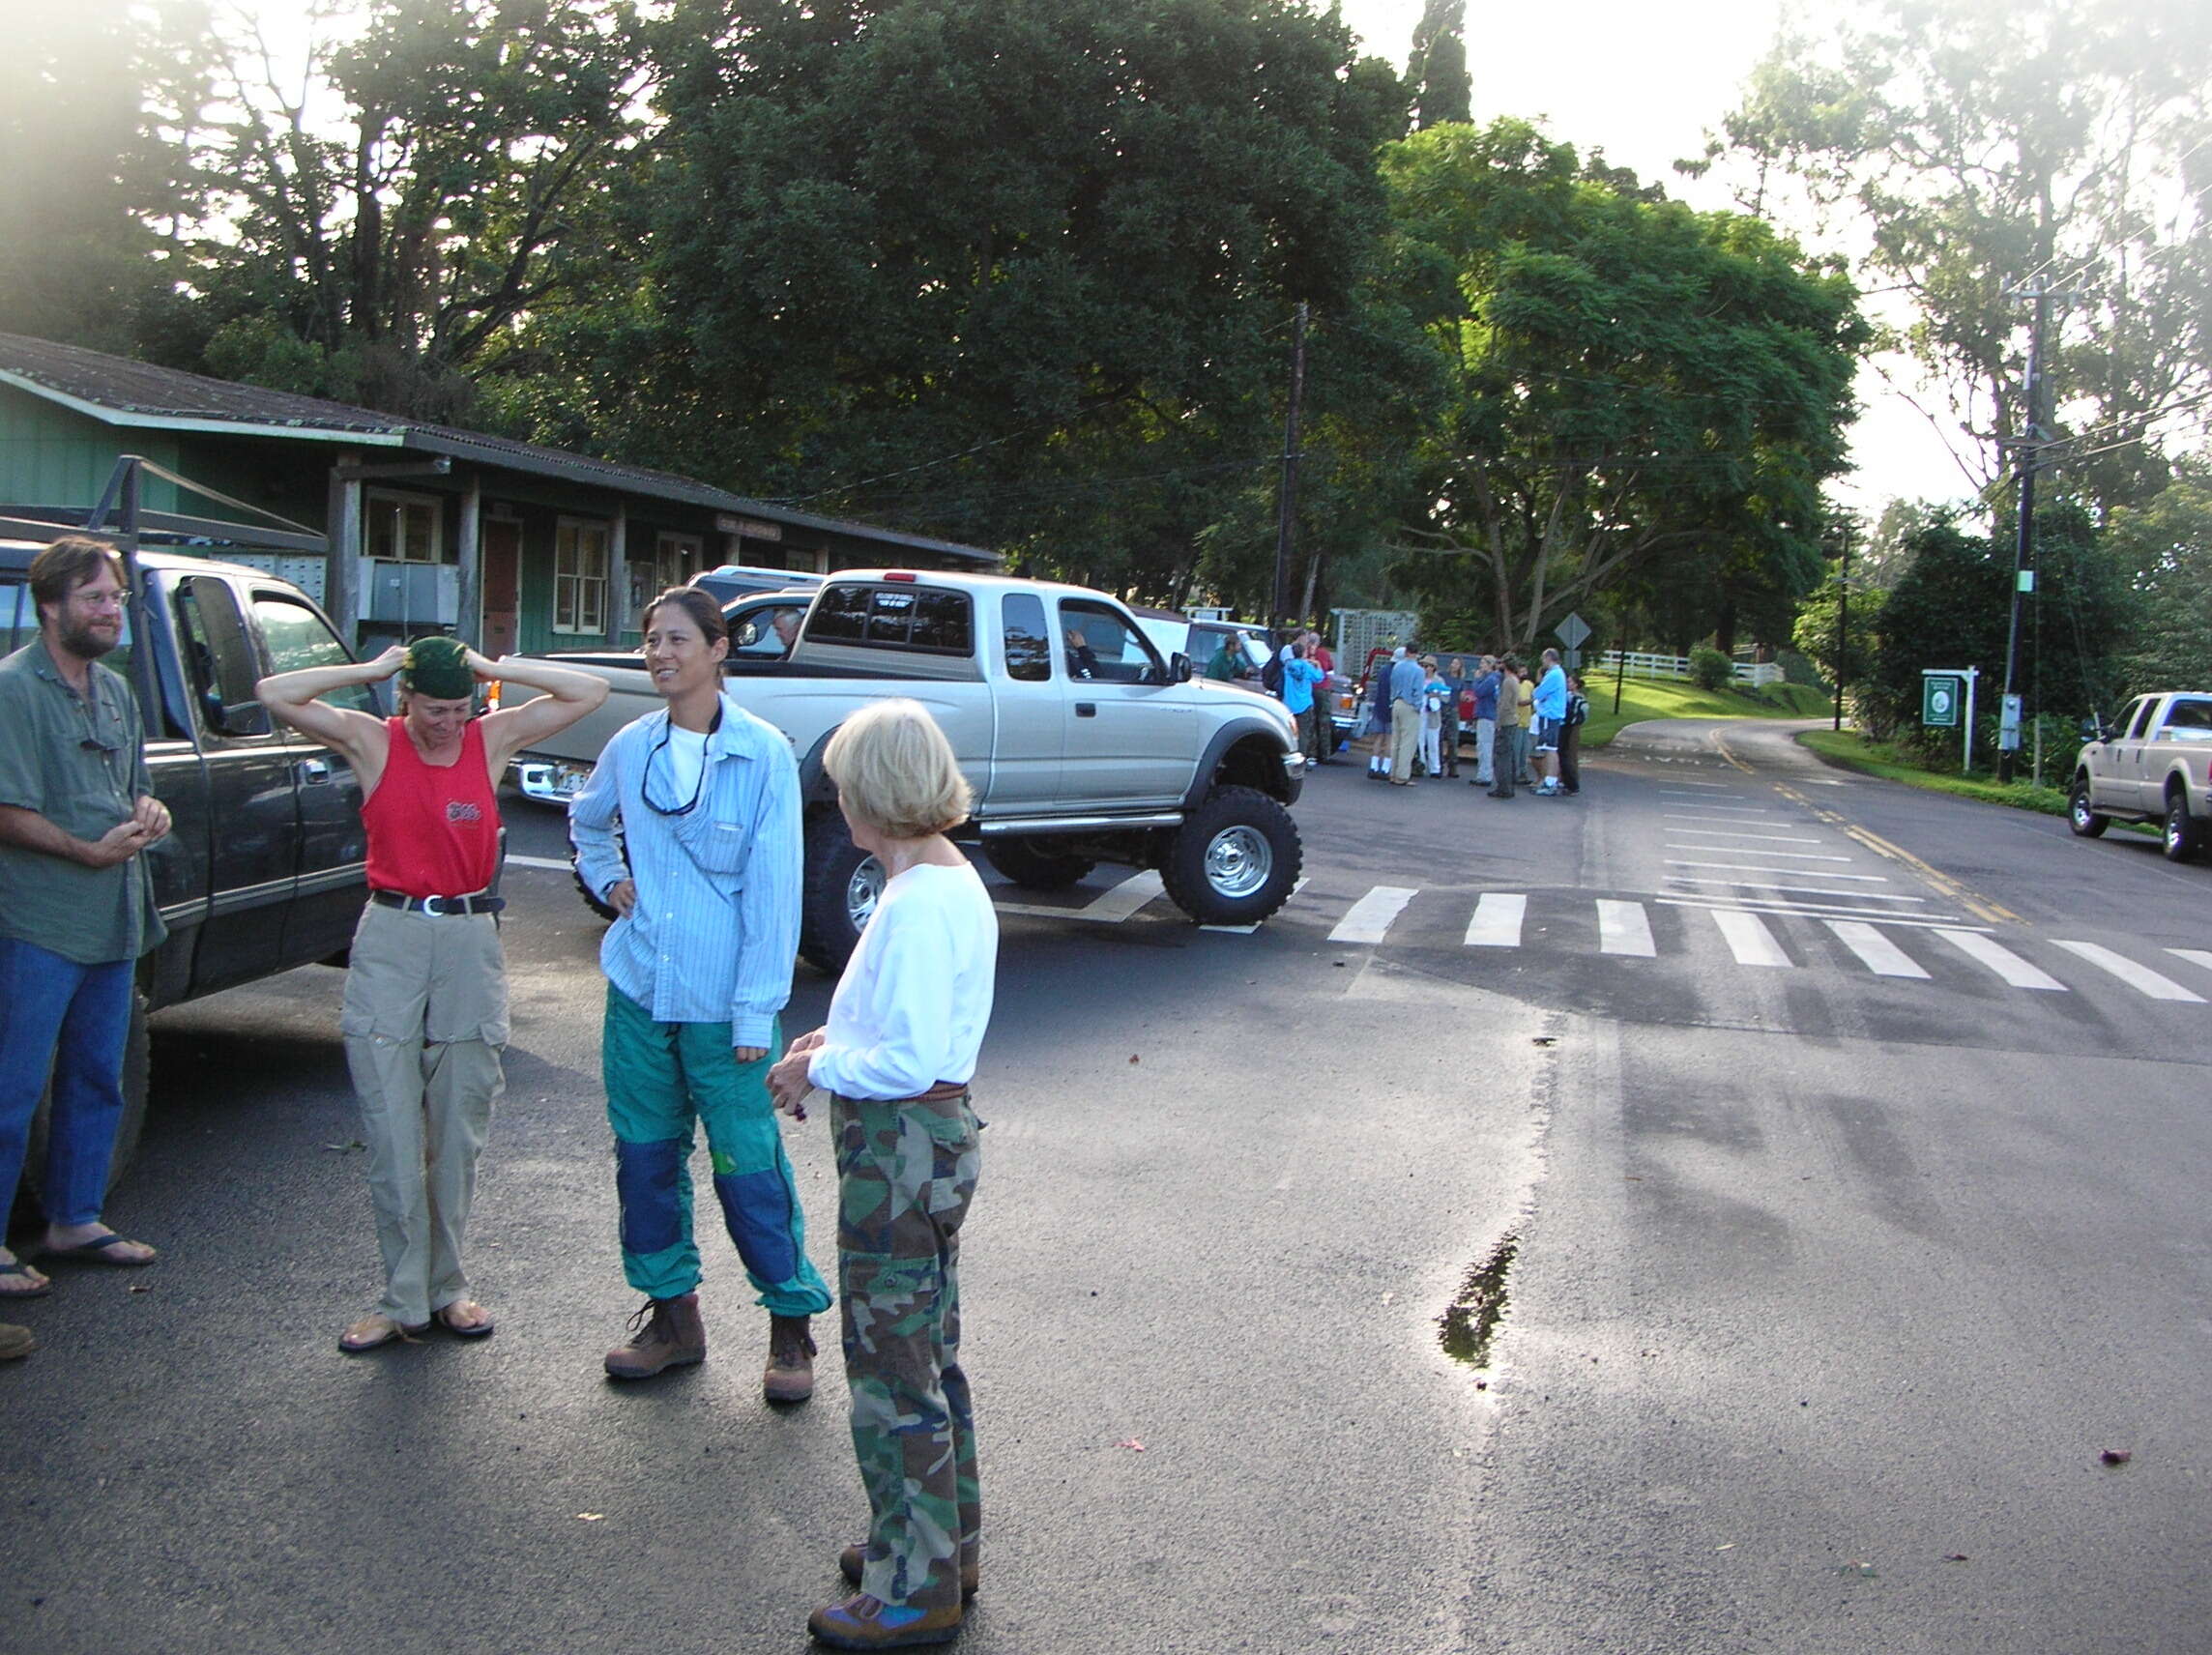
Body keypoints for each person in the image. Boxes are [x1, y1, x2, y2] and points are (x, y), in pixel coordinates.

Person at [259, 632, 608, 1352]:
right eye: (432, 709)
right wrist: (368, 669)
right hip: (392, 934)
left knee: (458, 1120)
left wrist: (494, 670)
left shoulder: (492, 738)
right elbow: (276, 694)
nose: (447, 724)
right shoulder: (373, 741)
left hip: (469, 934)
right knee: (390, 1122)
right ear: (406, 699)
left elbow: (588, 692)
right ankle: (401, 1296)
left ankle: (448, 1286)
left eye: (459, 708)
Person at [765, 699, 998, 1652]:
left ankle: (914, 1587)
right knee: (927, 1351)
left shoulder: (916, 899)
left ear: (876, 793)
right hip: (926, 1139)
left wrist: (811, 1064)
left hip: (897, 1146)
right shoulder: (939, 880)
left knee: (890, 1371)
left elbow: (901, 1063)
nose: (838, 803)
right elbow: (909, 1031)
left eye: (845, 788)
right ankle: (940, 1543)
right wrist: (835, 1036)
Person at [569, 588, 832, 1399]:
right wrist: (608, 877)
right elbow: (585, 823)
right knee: (644, 1160)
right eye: (651, 641)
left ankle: (791, 1328)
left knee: (747, 1167)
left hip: (726, 1009)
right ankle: (673, 1320)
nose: (660, 654)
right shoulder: (630, 746)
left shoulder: (761, 755)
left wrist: (757, 1009)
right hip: (641, 991)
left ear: (719, 649)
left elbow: (775, 892)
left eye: (678, 640)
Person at [0, 537, 172, 1325]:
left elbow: (134, 786)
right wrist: (83, 850)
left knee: (98, 1075)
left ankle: (74, 1219)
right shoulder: (13, 691)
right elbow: (6, 811)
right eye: (95, 599)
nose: (110, 612)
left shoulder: (115, 690)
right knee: (11, 1089)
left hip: (114, 922)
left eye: (116, 599)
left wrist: (150, 813)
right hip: (37, 921)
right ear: (50, 606)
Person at [1530, 647, 1569, 796]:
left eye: (1543, 659)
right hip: (1554, 714)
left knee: (1549, 749)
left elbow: (1538, 692)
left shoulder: (1553, 674)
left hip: (1549, 714)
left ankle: (1549, 782)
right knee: (1551, 748)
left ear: (1548, 658)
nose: (1542, 662)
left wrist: (1537, 697)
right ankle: (1550, 781)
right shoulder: (1559, 674)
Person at [1280, 640, 1324, 767]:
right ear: (1304, 653)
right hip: (1305, 704)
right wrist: (1318, 665)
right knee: (1304, 734)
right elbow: (1319, 678)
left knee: (1289, 732)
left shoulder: (1288, 667)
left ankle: (1288, 757)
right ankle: (1301, 759)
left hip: (1289, 704)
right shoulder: (1307, 667)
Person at [1387, 646, 1427, 785]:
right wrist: (1417, 705)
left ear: (1405, 653)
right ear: (1416, 654)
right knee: (1408, 742)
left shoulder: (1397, 667)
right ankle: (1402, 775)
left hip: (1396, 702)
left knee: (1396, 740)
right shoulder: (1419, 670)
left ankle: (1392, 772)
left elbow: (1392, 684)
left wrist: (1392, 700)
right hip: (1409, 705)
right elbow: (1418, 691)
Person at [1489, 657, 1524, 798]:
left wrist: (1498, 722)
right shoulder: (1515, 680)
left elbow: (1504, 704)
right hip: (1512, 720)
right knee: (1508, 754)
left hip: (1506, 722)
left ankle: (1503, 787)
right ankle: (1508, 785)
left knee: (1502, 755)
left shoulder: (1508, 681)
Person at [1468, 654, 1500, 789]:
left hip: (1487, 715)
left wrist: (1476, 679)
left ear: (1490, 665)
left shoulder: (1491, 679)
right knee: (1482, 745)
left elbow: (1479, 692)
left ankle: (1485, 775)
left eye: (1483, 663)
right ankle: (1483, 773)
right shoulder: (1492, 679)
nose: (1481, 665)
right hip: (1485, 714)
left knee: (1485, 746)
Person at [1363, 649, 1396, 779]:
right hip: (1392, 708)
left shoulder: (1383, 670)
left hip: (1379, 706)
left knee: (1378, 738)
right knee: (1389, 739)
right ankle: (1385, 768)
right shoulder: (1397, 672)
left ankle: (1373, 766)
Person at [1417, 654, 1447, 779]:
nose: (1425, 668)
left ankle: (1435, 768)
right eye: (1423, 666)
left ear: (1433, 668)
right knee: (1420, 741)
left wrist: (1436, 695)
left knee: (1433, 742)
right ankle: (1420, 765)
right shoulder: (1418, 679)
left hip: (1433, 714)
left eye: (1428, 666)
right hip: (1420, 713)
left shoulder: (1439, 680)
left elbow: (1446, 697)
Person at [1560, 673, 1589, 796]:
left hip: (1572, 728)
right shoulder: (1568, 696)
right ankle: (1566, 780)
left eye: (1570, 682)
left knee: (1569, 754)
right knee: (1565, 753)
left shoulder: (1577, 699)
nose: (1567, 684)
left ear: (1576, 685)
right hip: (1568, 726)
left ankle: (1573, 781)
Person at [1440, 655, 1468, 778]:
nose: (1454, 665)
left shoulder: (1461, 681)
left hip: (1453, 709)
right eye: (1453, 663)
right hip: (1442, 707)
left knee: (1453, 739)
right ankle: (1439, 764)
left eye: (1457, 664)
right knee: (1439, 737)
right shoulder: (1443, 677)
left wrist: (1466, 698)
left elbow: (1462, 696)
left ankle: (1453, 766)